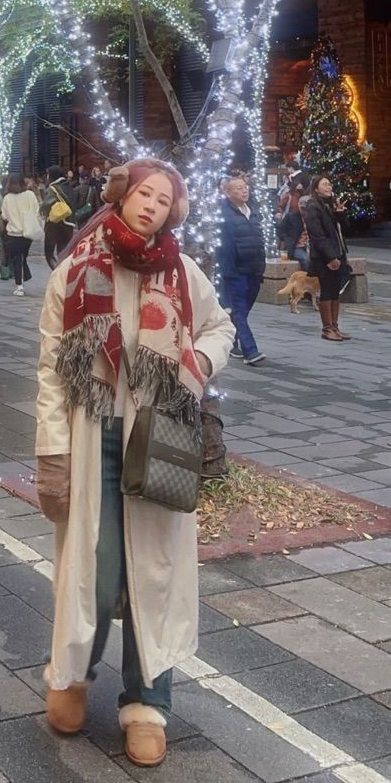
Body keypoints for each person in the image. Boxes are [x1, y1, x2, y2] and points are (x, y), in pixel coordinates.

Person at [36, 158, 234, 767]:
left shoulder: (182, 272)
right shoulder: (75, 269)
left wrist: (196, 364)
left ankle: (148, 703)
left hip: (160, 437)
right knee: (96, 575)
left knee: (155, 571)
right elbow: (51, 370)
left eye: (163, 199)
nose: (151, 205)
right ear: (121, 196)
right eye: (144, 193)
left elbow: (220, 328)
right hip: (93, 435)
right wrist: (52, 452)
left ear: (173, 212)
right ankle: (71, 674)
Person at [218, 176, 267, 366]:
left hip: (254, 268)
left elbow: (259, 238)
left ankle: (229, 339)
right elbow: (225, 246)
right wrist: (227, 271)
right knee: (239, 309)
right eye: (238, 188)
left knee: (243, 309)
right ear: (228, 192)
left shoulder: (252, 211)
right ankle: (250, 351)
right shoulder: (224, 214)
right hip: (235, 270)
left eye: (245, 187)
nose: (244, 190)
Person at [302, 174, 352, 341]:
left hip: (339, 253)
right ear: (316, 188)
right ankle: (327, 328)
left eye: (330, 184)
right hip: (324, 257)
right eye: (325, 184)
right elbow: (317, 236)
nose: (329, 187)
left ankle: (335, 326)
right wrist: (331, 257)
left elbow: (345, 229)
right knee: (327, 290)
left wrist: (340, 214)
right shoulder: (313, 207)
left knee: (335, 291)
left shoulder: (330, 206)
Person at [1, 174, 41, 296]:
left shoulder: (7, 198)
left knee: (16, 258)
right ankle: (23, 276)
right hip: (28, 232)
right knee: (23, 256)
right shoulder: (30, 195)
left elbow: (4, 216)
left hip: (13, 233)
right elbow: (36, 210)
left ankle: (19, 285)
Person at [42, 166, 77, 269]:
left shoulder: (52, 188)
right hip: (69, 223)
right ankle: (64, 271)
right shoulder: (69, 187)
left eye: (48, 175)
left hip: (54, 223)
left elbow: (46, 206)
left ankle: (56, 272)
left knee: (49, 252)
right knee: (63, 251)